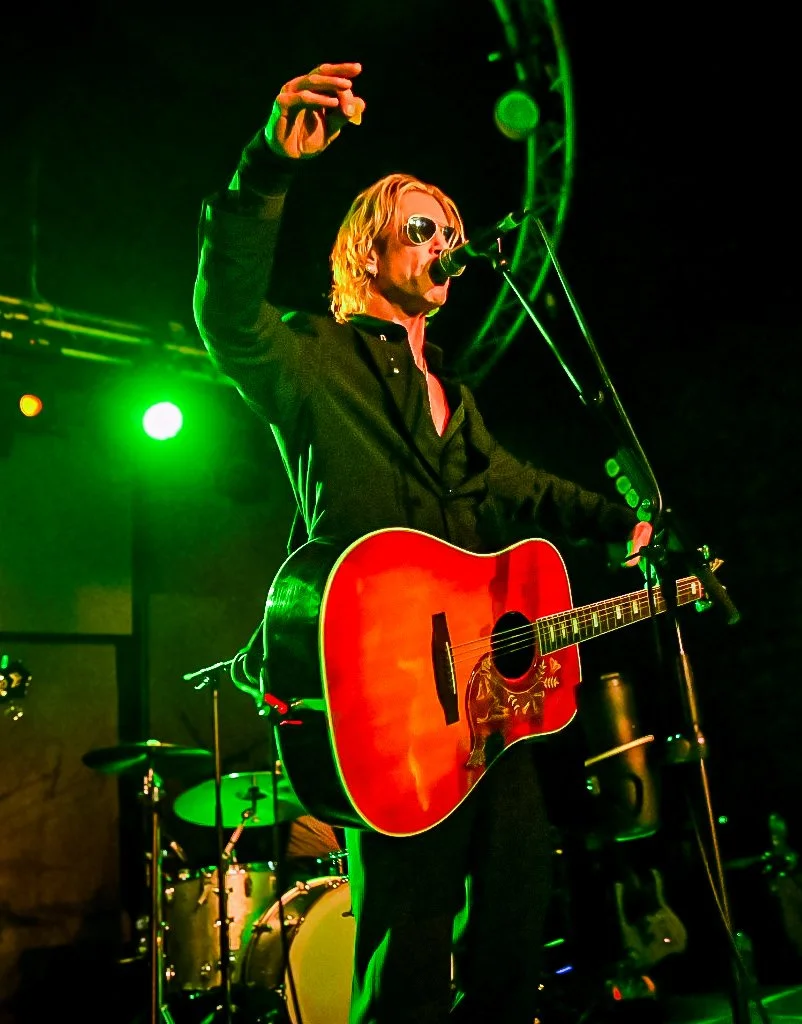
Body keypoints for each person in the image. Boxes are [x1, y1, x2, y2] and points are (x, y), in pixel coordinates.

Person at [193, 61, 652, 1024]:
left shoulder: (454, 393)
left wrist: (622, 521)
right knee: (407, 946)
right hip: (391, 698)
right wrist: (268, 165)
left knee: (514, 921)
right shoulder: (313, 358)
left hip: (487, 700)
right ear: (367, 252)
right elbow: (225, 313)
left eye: (450, 232)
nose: (446, 244)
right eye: (421, 229)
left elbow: (517, 485)